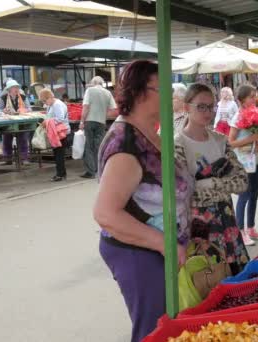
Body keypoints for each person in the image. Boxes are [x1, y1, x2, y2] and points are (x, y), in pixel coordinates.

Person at [93, 60, 193, 342]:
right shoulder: (126, 143)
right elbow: (106, 214)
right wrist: (164, 244)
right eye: (163, 89)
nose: (171, 97)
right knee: (155, 330)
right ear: (138, 94)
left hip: (161, 250)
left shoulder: (151, 133)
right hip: (138, 253)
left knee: (172, 326)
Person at [175, 83, 250, 274]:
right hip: (199, 228)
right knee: (208, 279)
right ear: (186, 107)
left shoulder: (220, 140)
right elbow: (184, 192)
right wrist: (223, 184)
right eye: (201, 106)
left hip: (227, 223)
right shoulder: (178, 145)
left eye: (211, 106)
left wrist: (209, 182)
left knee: (236, 278)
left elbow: (241, 182)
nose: (207, 111)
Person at [228, 85, 258, 246]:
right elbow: (231, 142)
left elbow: (256, 137)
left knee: (254, 195)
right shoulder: (237, 117)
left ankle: (251, 228)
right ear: (241, 100)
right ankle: (240, 231)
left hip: (256, 160)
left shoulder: (257, 115)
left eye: (255, 96)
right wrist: (251, 139)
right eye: (251, 97)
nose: (255, 99)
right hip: (244, 163)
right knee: (244, 196)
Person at [80, 76, 117, 179]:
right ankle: (100, 169)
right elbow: (113, 109)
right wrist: (104, 115)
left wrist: (82, 121)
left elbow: (86, 107)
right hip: (101, 122)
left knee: (89, 146)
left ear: (94, 82)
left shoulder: (89, 90)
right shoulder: (107, 93)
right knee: (99, 146)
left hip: (89, 121)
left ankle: (90, 171)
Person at [0, 79, 31, 165]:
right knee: (6, 138)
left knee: (23, 137)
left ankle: (24, 158)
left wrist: (24, 110)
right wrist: (3, 111)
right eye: (14, 87)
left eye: (17, 87)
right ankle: (8, 158)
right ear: (9, 89)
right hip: (7, 122)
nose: (16, 89)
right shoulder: (3, 97)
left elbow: (29, 108)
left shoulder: (23, 97)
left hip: (22, 122)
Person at [39, 89, 70, 182]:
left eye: (45, 101)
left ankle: (60, 174)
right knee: (57, 153)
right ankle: (62, 173)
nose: (45, 103)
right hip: (57, 132)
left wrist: (47, 122)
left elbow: (60, 119)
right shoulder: (52, 104)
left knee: (59, 154)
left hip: (61, 132)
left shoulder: (57, 105)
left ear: (50, 97)